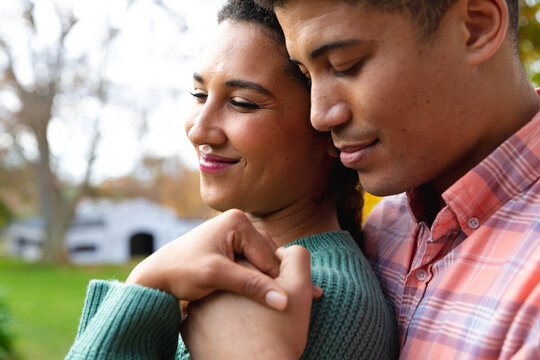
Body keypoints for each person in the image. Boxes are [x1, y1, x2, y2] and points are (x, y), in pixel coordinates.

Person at [181, 0, 540, 358]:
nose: (318, 117)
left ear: (476, 26)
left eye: (345, 66)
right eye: (306, 76)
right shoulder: (386, 226)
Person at [65, 1, 397, 359]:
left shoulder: (314, 296)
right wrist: (149, 280)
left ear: (327, 127)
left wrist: (146, 285)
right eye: (199, 95)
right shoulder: (227, 266)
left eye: (242, 103)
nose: (199, 130)